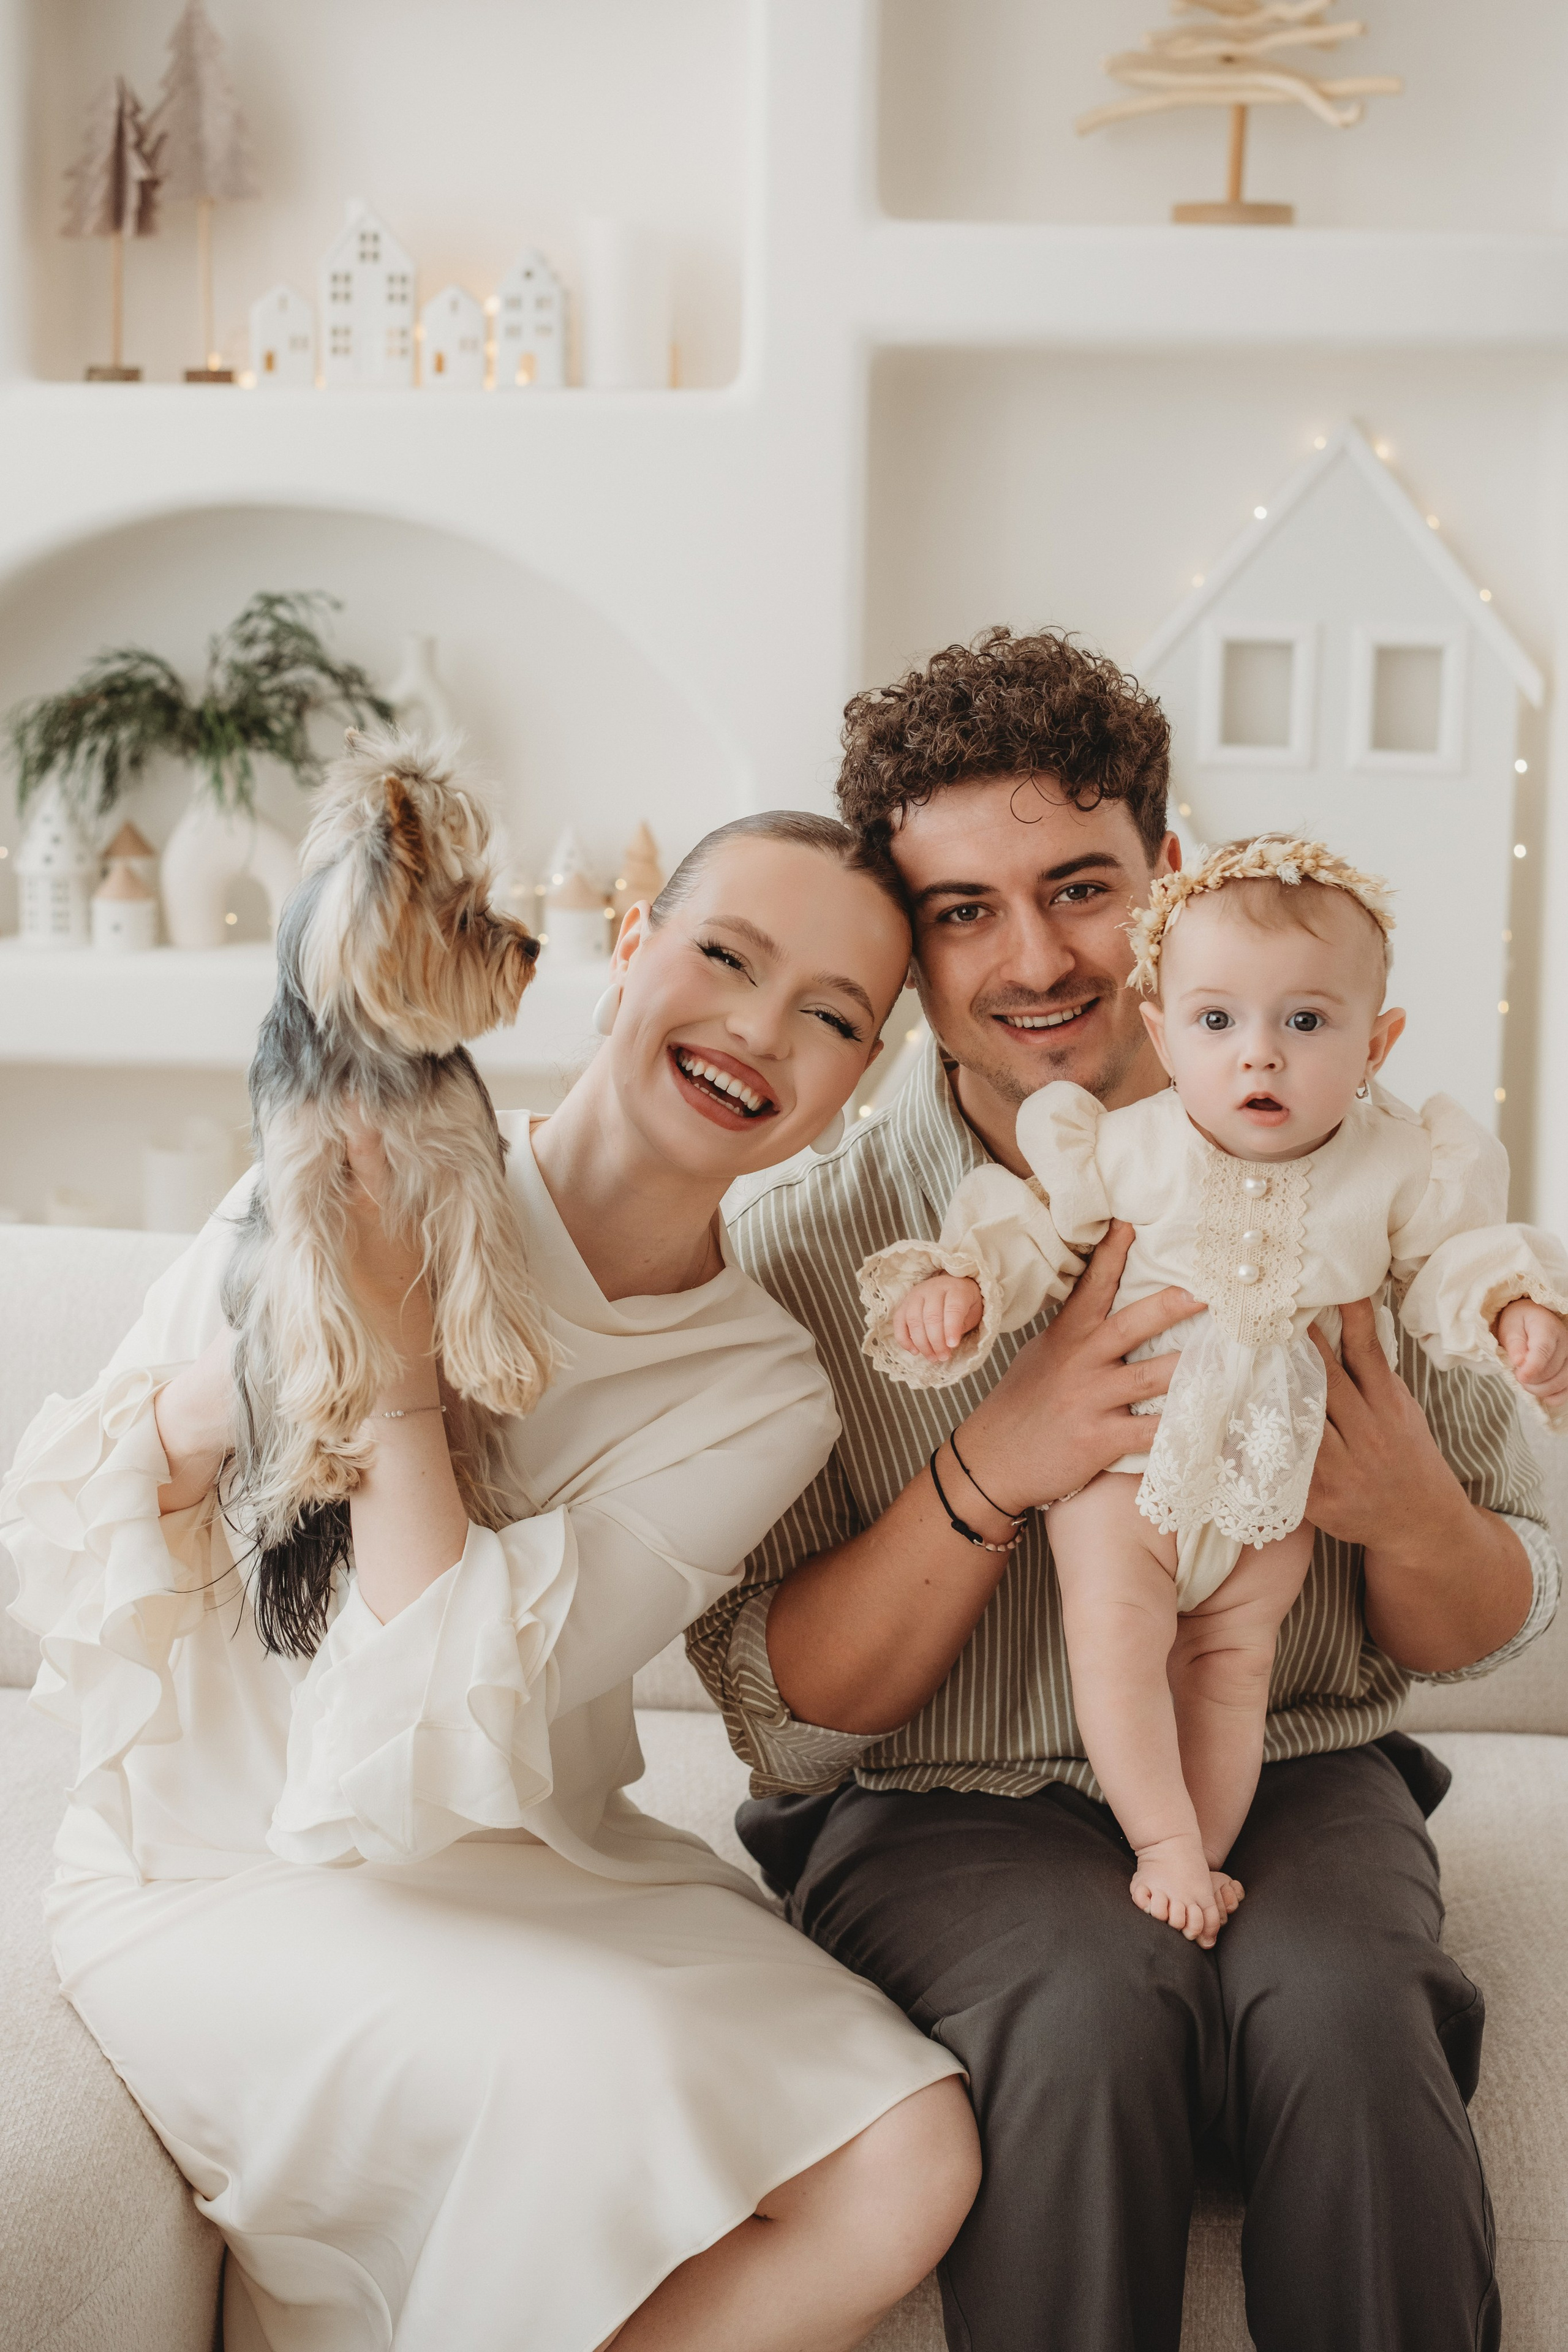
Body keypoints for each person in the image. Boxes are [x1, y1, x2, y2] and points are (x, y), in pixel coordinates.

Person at [2, 810, 980, 2352]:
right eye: (725, 955)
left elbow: (449, 1735)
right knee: (581, 2068)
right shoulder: (359, 1141)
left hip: (514, 1841)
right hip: (219, 1863)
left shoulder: (766, 1388)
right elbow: (81, 1531)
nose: (755, 1029)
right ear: (628, 950)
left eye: (830, 1016)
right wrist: (281, 1345)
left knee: (908, 2148)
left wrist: (385, 1380)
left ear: (854, 1084)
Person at [688, 630, 1561, 2352]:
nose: (1033, 960)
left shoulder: (1356, 1169)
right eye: (961, 912)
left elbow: (1490, 1624)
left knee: (1348, 2017)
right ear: (910, 942)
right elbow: (787, 1727)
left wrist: (1402, 1506)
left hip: (1294, 1756)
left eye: (1080, 887)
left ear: (1167, 882)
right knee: (1089, 2016)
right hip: (940, 1799)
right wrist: (993, 1465)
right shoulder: (814, 1239)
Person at [861, 831, 1568, 1948]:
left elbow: (1453, 1263)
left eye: (1306, 1022)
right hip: (1127, 1468)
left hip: (1278, 1474)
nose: (1260, 1060)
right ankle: (1163, 1843)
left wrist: (1516, 1311)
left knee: (1233, 1668)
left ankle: (1211, 1853)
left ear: (1376, 1041)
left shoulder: (1396, 1164)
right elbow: (1036, 1232)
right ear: (1163, 1031)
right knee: (1117, 1637)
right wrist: (962, 1286)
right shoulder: (1128, 1146)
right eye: (1218, 1022)